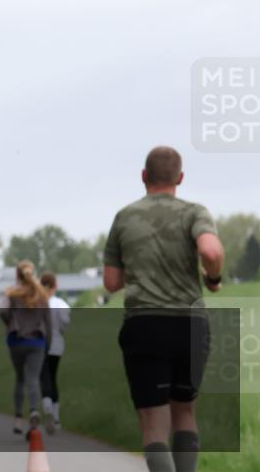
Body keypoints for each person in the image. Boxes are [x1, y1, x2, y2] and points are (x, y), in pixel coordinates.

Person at [103, 146, 224, 472]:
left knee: (154, 424)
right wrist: (213, 280)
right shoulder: (195, 212)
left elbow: (112, 281)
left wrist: (141, 266)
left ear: (144, 176)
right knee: (185, 412)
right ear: (180, 178)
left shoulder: (125, 217)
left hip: (145, 325)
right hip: (190, 326)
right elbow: (211, 251)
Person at [0, 260, 53, 439]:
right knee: (33, 379)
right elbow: (49, 322)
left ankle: (19, 419)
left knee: (20, 378)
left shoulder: (12, 293)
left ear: (17, 275)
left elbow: (3, 312)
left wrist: (9, 322)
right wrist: (48, 344)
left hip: (16, 340)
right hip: (37, 341)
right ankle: (34, 410)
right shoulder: (42, 295)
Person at [39, 271, 70, 434]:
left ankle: (47, 409)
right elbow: (65, 323)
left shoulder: (37, 302)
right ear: (54, 285)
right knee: (53, 377)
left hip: (40, 344)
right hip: (57, 344)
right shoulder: (60, 304)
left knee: (44, 378)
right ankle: (56, 418)